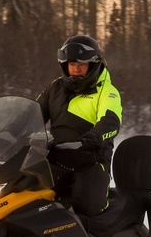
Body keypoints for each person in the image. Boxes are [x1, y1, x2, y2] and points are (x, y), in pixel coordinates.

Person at [37, 35, 122, 216]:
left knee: (86, 203)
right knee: (26, 193)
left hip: (90, 160)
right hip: (55, 157)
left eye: (81, 65)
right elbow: (33, 113)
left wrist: (93, 137)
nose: (75, 70)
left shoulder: (106, 92)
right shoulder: (54, 89)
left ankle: (96, 236)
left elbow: (111, 121)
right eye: (72, 65)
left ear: (92, 65)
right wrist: (6, 131)